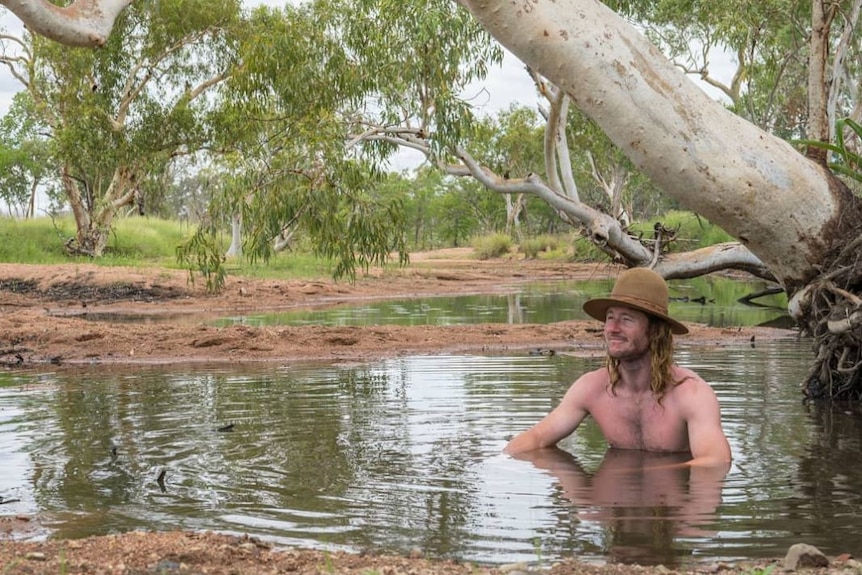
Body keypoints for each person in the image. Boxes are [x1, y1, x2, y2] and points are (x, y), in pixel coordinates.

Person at [504, 267, 732, 467]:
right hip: (611, 508)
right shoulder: (591, 388)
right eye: (610, 318)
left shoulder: (691, 393)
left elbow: (715, 460)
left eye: (626, 319)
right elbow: (537, 437)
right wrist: (502, 461)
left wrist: (651, 473)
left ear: (654, 331)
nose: (612, 328)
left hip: (666, 511)